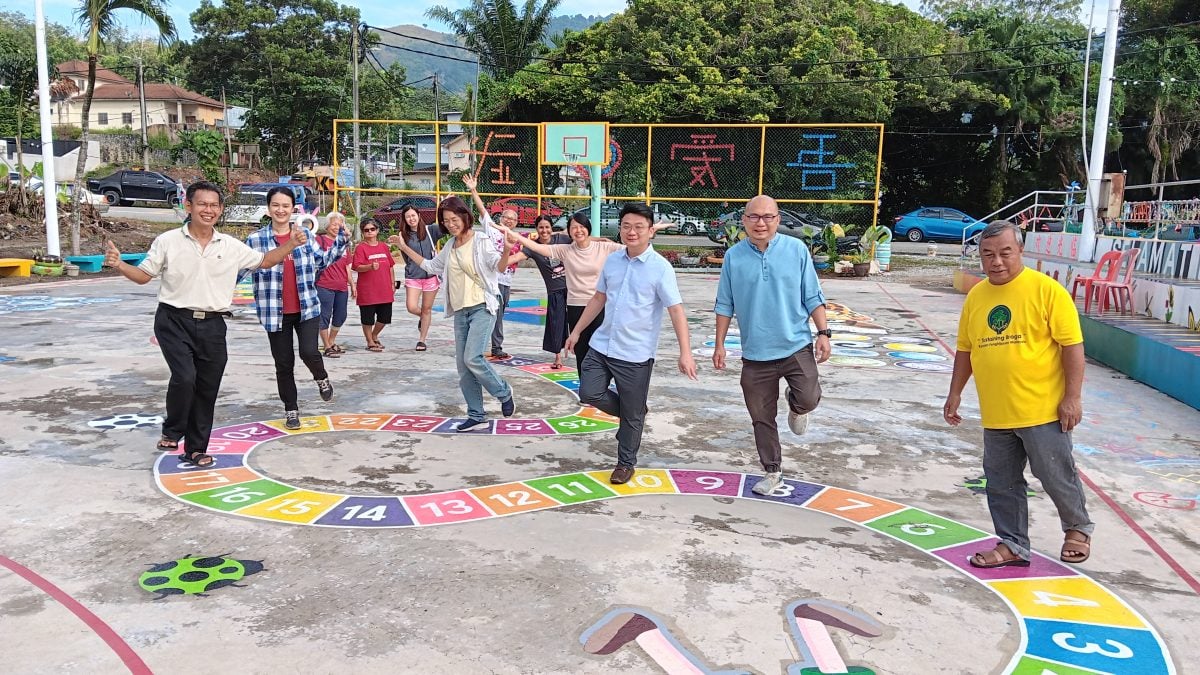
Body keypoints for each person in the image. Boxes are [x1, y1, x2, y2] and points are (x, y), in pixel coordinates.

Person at [104, 180, 304, 468]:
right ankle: (173, 428)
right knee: (185, 378)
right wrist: (120, 264)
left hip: (213, 325)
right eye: (202, 204)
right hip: (173, 320)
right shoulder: (168, 241)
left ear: (220, 210)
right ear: (189, 206)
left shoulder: (231, 246)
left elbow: (265, 261)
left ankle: (196, 449)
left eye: (214, 205)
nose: (208, 210)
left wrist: (291, 245)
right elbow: (144, 276)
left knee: (207, 388)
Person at [944, 220, 1093, 568]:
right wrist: (955, 394)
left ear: (1020, 251)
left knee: (1055, 472)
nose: (997, 262)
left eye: (1005, 253)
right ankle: (1012, 544)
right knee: (1001, 483)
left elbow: (1072, 347)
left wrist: (1072, 397)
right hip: (997, 411)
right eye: (988, 255)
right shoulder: (977, 296)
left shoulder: (1047, 291)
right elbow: (966, 350)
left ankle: (1077, 528)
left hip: (1042, 409)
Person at [547, 203, 698, 484]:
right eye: (627, 226)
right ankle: (633, 412)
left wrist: (685, 352)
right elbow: (598, 298)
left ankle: (625, 462)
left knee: (631, 415)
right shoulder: (613, 261)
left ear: (650, 231)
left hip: (635, 353)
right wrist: (576, 331)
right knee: (590, 393)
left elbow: (675, 310)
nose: (632, 232)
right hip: (603, 344)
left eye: (639, 227)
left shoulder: (660, 269)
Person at [712, 195, 832, 495]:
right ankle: (772, 471)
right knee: (761, 417)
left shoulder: (796, 250)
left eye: (768, 217)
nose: (760, 223)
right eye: (754, 217)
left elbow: (813, 295)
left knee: (808, 397)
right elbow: (725, 304)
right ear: (743, 220)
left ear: (778, 220)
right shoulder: (734, 257)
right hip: (755, 353)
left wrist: (824, 332)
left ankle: (797, 406)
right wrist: (719, 344)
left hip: (795, 344)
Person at [389, 196, 515, 431]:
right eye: (446, 221)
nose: (450, 224)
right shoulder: (449, 246)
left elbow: (498, 267)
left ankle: (503, 392)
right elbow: (429, 266)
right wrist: (403, 247)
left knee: (473, 358)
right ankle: (476, 415)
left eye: (454, 219)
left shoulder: (481, 240)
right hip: (460, 311)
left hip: (482, 307)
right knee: (463, 367)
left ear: (465, 217)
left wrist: (507, 251)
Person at [244, 188, 349, 429]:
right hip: (274, 312)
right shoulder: (255, 240)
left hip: (307, 308)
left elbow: (323, 261)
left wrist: (341, 240)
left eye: (286, 205)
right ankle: (291, 409)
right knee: (284, 363)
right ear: (269, 208)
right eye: (276, 205)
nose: (281, 210)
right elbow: (240, 270)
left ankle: (321, 377)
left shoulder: (305, 237)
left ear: (294, 209)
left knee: (309, 352)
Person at [516, 212, 623, 369]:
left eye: (581, 227)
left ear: (588, 228)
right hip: (575, 305)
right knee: (581, 351)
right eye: (574, 228)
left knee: (601, 350)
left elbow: (632, 249)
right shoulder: (564, 249)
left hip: (598, 305)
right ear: (569, 231)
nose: (578, 230)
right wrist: (512, 235)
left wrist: (647, 231)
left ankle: (600, 386)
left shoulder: (603, 247)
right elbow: (537, 247)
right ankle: (585, 388)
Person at [461, 174, 521, 359]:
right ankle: (473, 344)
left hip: (505, 281)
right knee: (483, 313)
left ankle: (497, 347)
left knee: (499, 315)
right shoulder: (492, 228)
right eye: (506, 217)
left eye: (512, 219)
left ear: (516, 222)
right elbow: (481, 209)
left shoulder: (518, 238)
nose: (509, 220)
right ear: (501, 218)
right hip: (488, 280)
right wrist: (473, 189)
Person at [509, 214, 571, 368]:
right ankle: (558, 357)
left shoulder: (562, 240)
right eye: (541, 227)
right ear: (536, 229)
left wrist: (604, 242)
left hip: (573, 289)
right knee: (556, 324)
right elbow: (515, 258)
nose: (544, 230)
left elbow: (585, 241)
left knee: (578, 322)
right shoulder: (532, 247)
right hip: (554, 291)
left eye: (547, 227)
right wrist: (497, 262)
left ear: (551, 228)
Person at [396, 204, 443, 351]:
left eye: (413, 215)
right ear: (404, 219)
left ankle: (422, 340)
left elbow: (446, 226)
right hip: (413, 276)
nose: (411, 219)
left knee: (427, 309)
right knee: (411, 307)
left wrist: (444, 208)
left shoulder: (431, 230)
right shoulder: (403, 235)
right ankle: (423, 319)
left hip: (431, 276)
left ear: (419, 215)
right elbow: (406, 256)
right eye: (408, 216)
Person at [353, 217, 396, 352]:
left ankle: (374, 335)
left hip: (384, 288)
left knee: (385, 317)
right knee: (367, 318)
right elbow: (356, 267)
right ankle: (370, 341)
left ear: (377, 230)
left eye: (372, 229)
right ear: (362, 233)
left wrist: (392, 283)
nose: (370, 232)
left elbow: (390, 266)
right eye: (366, 230)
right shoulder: (361, 248)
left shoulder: (383, 246)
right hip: (368, 290)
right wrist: (370, 267)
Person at [316, 211, 355, 358]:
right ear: (327, 225)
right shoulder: (320, 241)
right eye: (334, 224)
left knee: (341, 316)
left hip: (341, 286)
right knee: (324, 316)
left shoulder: (344, 244)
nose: (336, 227)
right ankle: (326, 345)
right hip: (324, 284)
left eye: (340, 225)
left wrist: (352, 284)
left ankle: (331, 341)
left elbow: (347, 266)